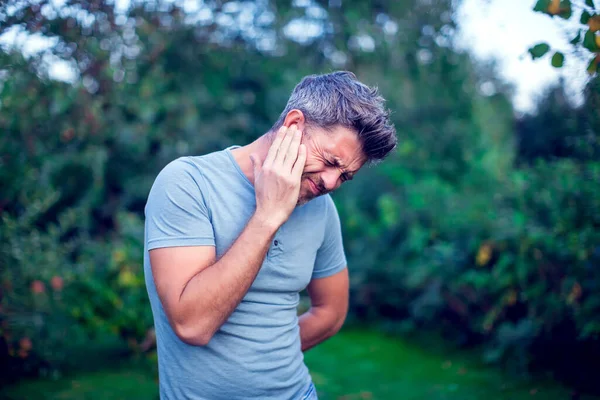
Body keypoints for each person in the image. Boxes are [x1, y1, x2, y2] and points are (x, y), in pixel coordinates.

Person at [143, 71, 397, 400]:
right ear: (293, 125)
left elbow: (331, 312)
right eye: (331, 161)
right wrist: (268, 215)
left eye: (345, 176)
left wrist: (270, 355)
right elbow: (192, 324)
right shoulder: (188, 184)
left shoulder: (321, 210)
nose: (332, 183)